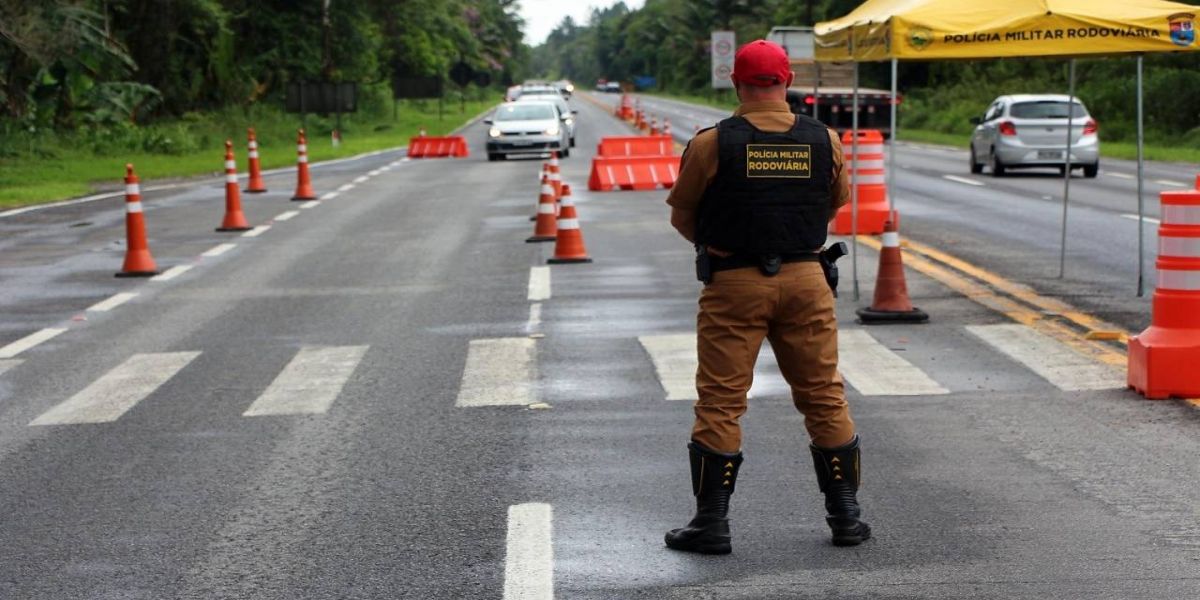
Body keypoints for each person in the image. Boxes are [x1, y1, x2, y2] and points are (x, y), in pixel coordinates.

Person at [662, 39, 869, 554]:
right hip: (806, 280)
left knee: (722, 401)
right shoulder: (825, 140)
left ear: (737, 82)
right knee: (823, 394)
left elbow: (683, 214)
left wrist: (725, 248)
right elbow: (834, 202)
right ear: (788, 82)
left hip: (734, 282)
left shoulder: (713, 143)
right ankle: (845, 517)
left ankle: (711, 524)